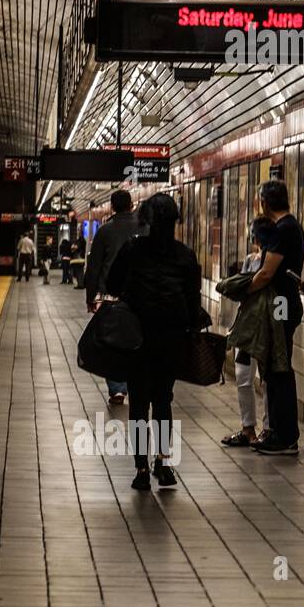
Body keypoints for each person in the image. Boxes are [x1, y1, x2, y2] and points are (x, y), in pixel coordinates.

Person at [106, 194, 201, 491]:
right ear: (174, 221)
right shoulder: (185, 255)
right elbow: (193, 301)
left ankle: (141, 469)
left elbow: (111, 284)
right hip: (170, 340)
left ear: (146, 219)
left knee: (139, 404)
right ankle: (164, 462)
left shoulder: (134, 249)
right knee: (162, 400)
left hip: (138, 338)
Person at [245, 178, 304, 455]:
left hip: (281, 304)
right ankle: (278, 432)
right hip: (285, 302)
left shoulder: (284, 229)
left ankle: (285, 436)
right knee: (276, 367)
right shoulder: (290, 226)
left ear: (265, 202)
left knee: (279, 368)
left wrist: (244, 288)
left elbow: (267, 272)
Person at [85, 190, 143, 405]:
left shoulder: (105, 230)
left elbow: (94, 266)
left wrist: (91, 296)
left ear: (112, 207)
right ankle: (135, 381)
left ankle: (118, 388)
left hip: (111, 296)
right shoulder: (145, 227)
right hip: (141, 296)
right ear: (131, 205)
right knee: (138, 338)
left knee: (114, 341)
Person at [221, 217, 273, 446]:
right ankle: (248, 428)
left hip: (266, 325)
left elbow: (245, 288)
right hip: (246, 326)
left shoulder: (273, 262)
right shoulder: (250, 261)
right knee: (244, 377)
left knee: (268, 378)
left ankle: (269, 428)